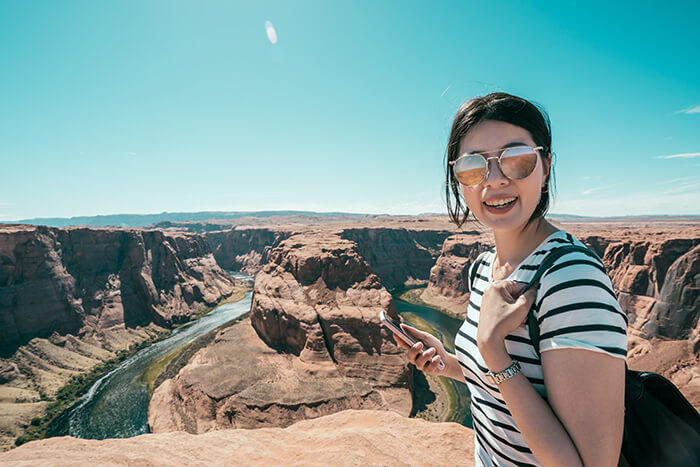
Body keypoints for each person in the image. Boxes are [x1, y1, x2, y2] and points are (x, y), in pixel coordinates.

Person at [391, 92, 627, 466]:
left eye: (516, 160)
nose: (494, 180)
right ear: (458, 179)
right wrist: (449, 362)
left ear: (546, 166)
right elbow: (502, 388)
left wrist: (492, 347)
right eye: (473, 167)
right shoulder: (484, 265)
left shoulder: (570, 278)